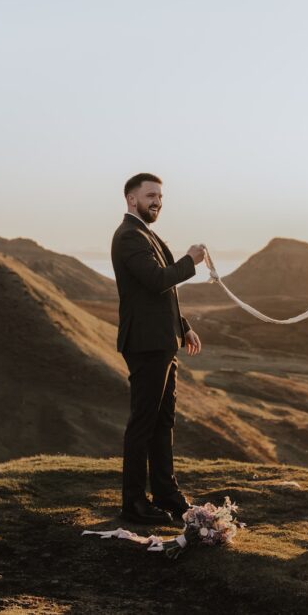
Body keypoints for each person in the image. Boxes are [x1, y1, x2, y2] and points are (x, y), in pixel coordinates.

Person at [111, 172, 205, 525]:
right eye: (151, 196)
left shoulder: (144, 234)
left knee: (163, 421)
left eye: (161, 197)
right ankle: (133, 502)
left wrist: (183, 327)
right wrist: (190, 260)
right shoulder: (128, 237)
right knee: (143, 423)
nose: (157, 202)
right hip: (146, 345)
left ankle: (166, 493)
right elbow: (156, 281)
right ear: (131, 199)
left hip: (163, 342)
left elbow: (162, 293)